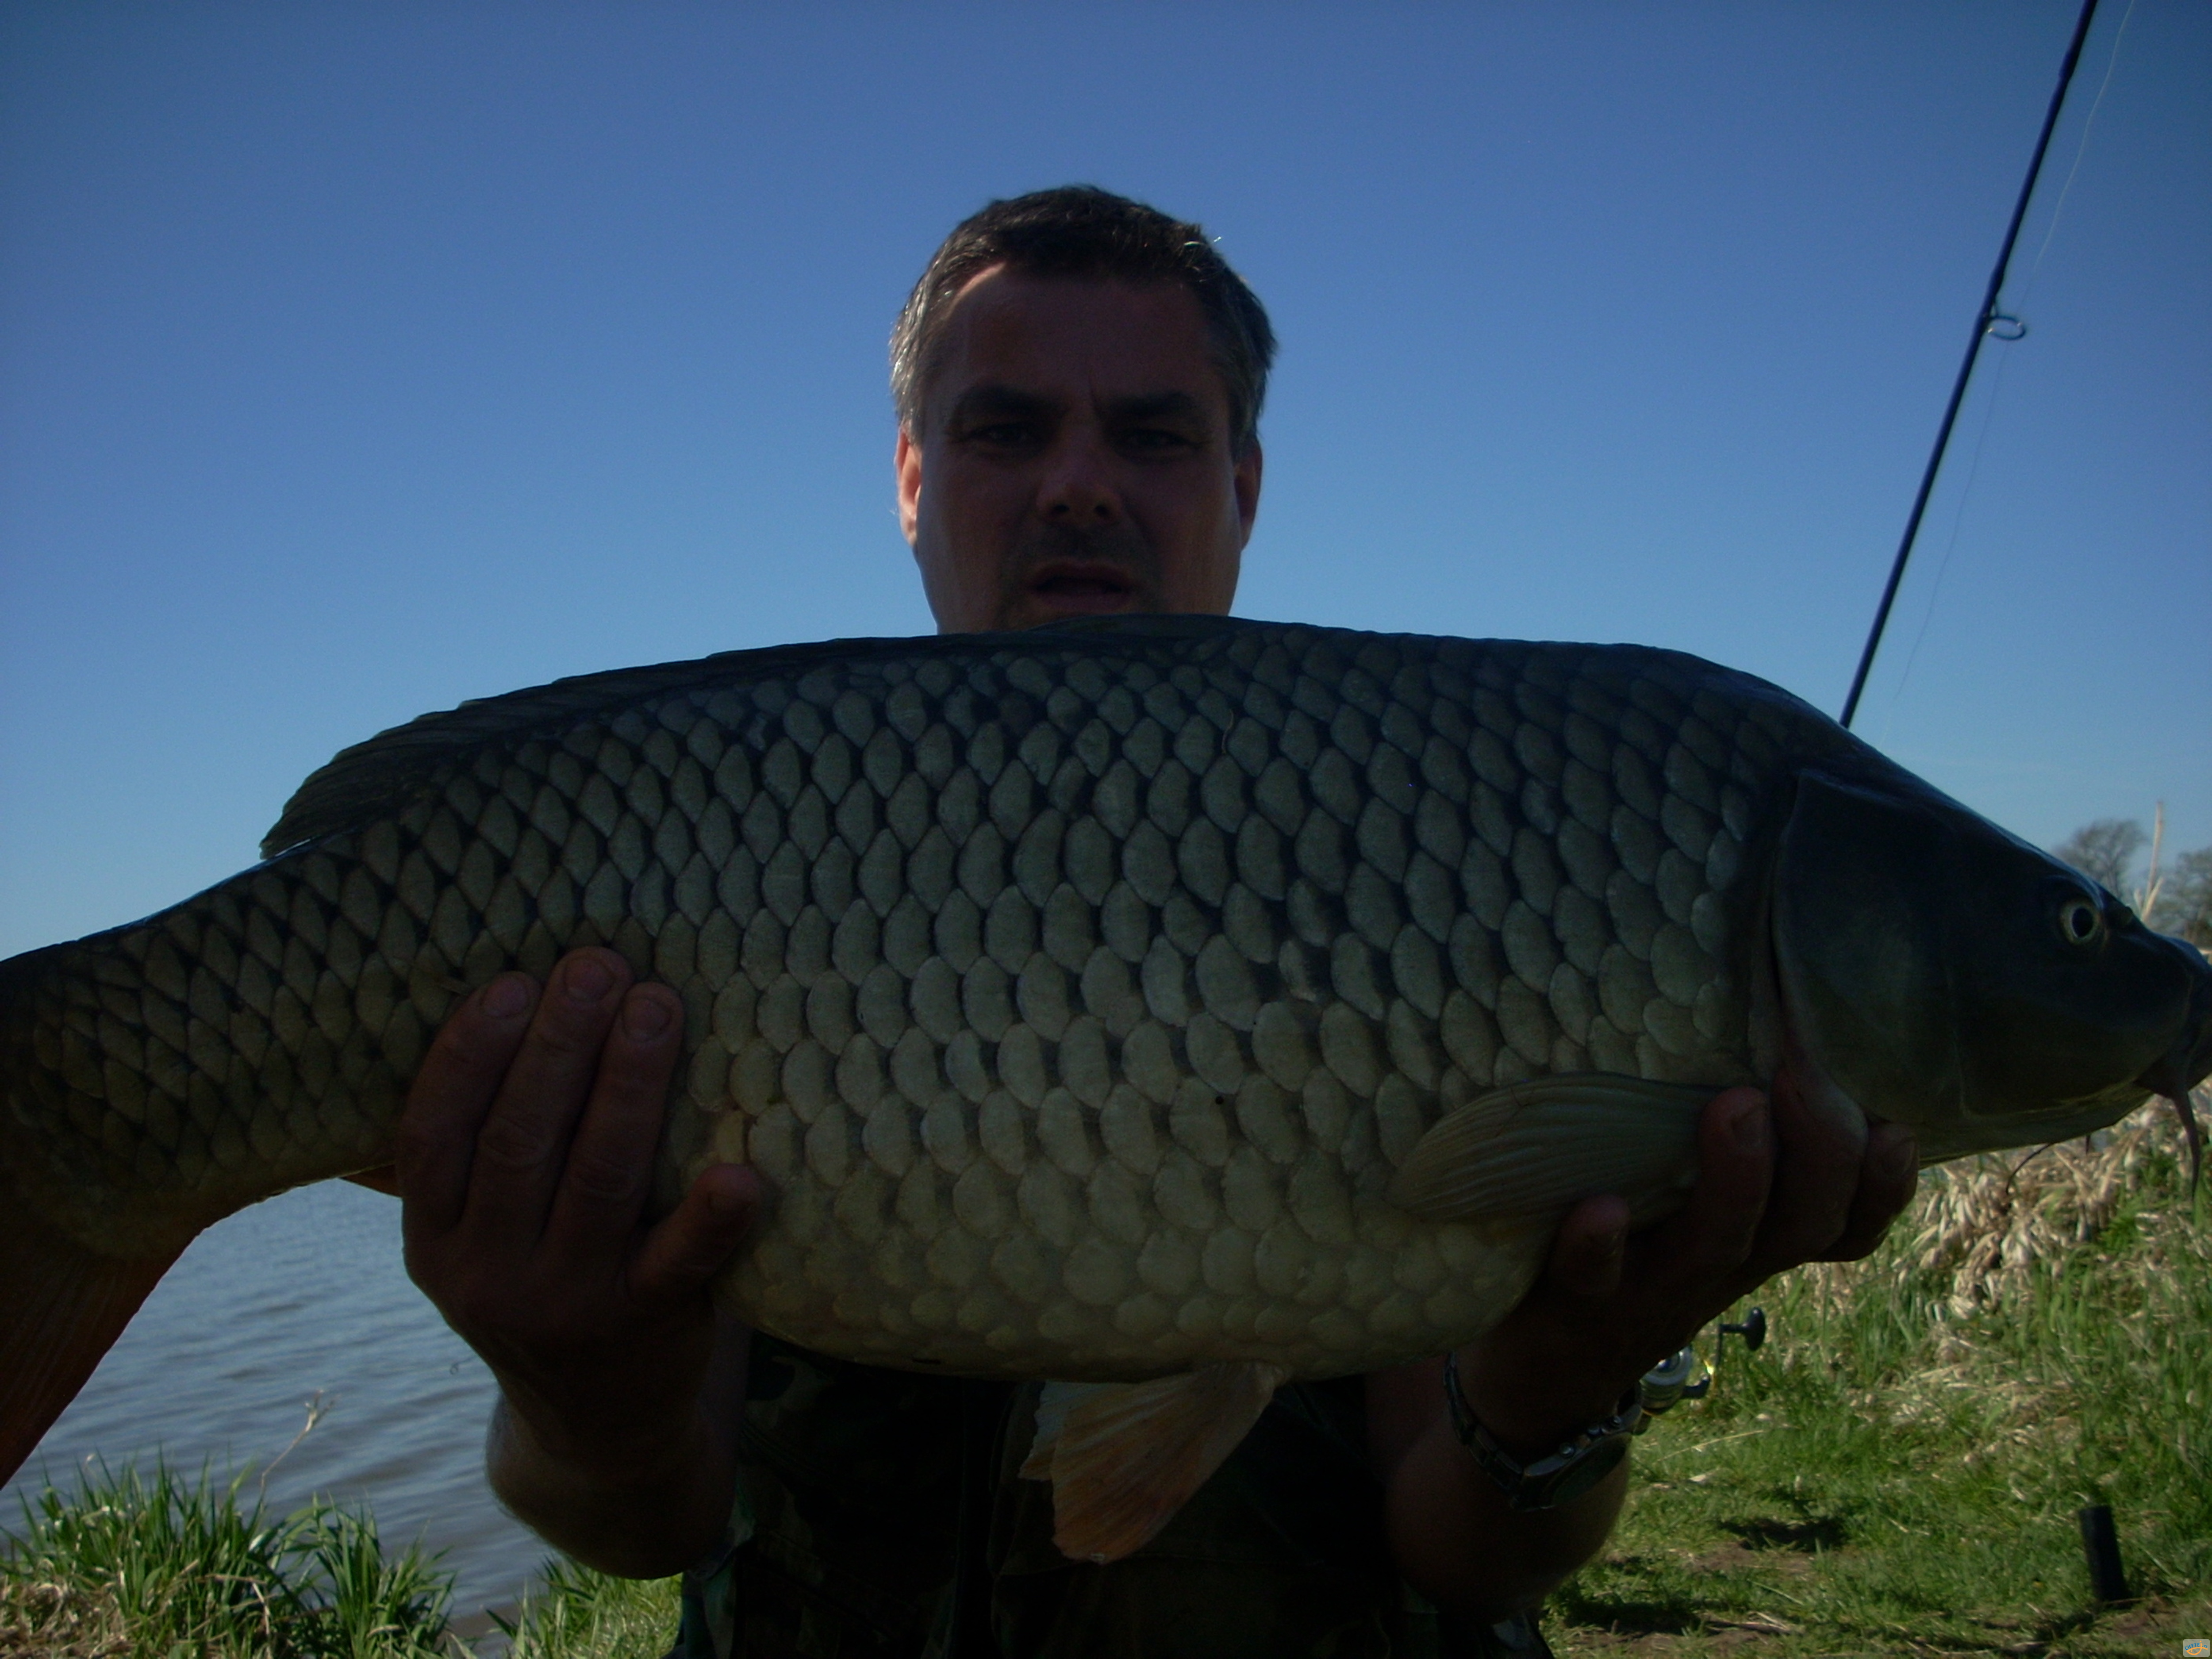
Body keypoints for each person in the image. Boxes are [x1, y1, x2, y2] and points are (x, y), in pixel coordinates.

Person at [388, 187, 1920, 1656]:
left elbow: (1467, 1549)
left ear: (1243, 484)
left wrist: (1553, 1399)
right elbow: (640, 1520)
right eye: (1006, 429)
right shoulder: (738, 845)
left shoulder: (1417, 831)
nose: (1078, 483)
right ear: (912, 478)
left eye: (1153, 433)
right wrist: (583, 1403)